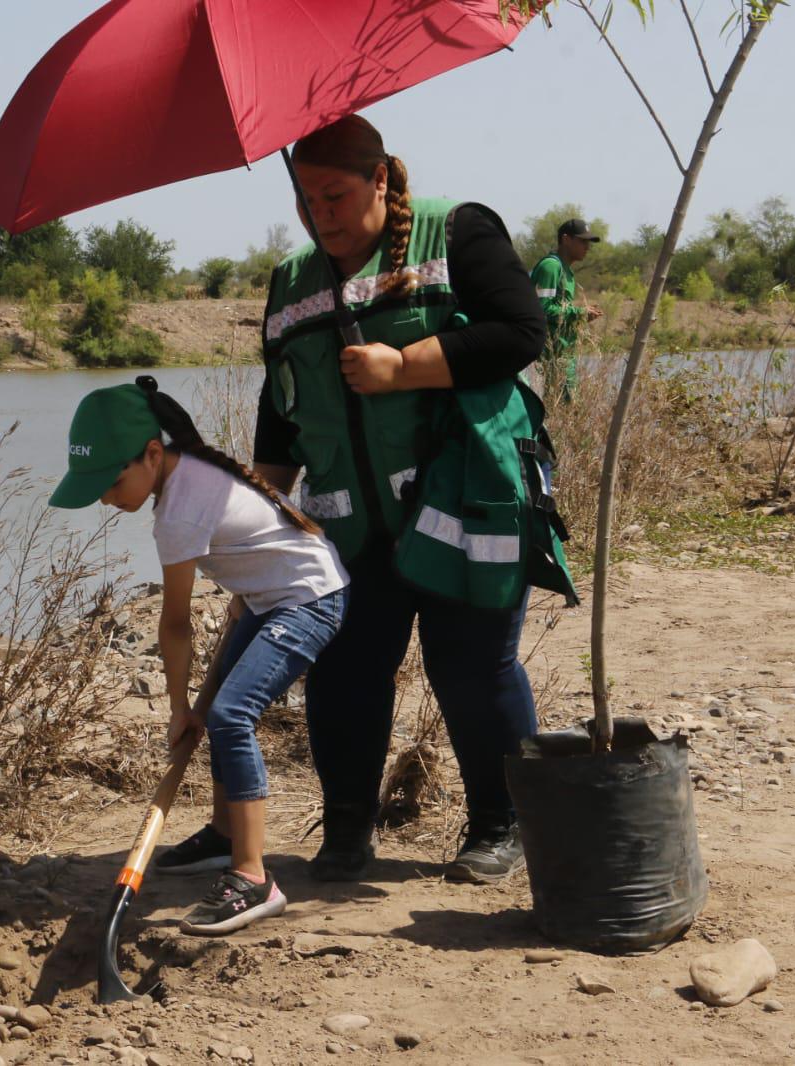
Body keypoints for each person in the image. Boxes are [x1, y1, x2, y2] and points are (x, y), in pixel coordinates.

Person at [247, 114, 577, 886]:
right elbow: (278, 405)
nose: (320, 215)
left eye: (334, 195)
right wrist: (263, 514)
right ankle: (346, 831)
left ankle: (499, 826)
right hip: (349, 522)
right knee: (342, 671)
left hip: (462, 502)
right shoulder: (292, 280)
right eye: (305, 200)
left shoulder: (456, 233)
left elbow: (519, 331)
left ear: (380, 179)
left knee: (470, 669)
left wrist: (404, 367)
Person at [49, 377, 348, 934]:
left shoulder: (178, 512)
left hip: (308, 598)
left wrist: (178, 707)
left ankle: (253, 878)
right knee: (218, 710)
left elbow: (175, 625)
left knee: (231, 715)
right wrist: (193, 707)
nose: (107, 499)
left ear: (152, 454)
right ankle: (224, 833)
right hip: (266, 596)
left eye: (111, 482)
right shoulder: (186, 473)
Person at [530, 219, 604, 402]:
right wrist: (578, 313)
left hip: (564, 351)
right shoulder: (551, 267)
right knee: (563, 405)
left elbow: (558, 309)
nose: (587, 247)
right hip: (552, 355)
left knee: (566, 406)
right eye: (582, 241)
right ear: (566, 239)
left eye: (589, 242)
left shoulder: (566, 270)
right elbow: (541, 309)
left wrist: (582, 316)